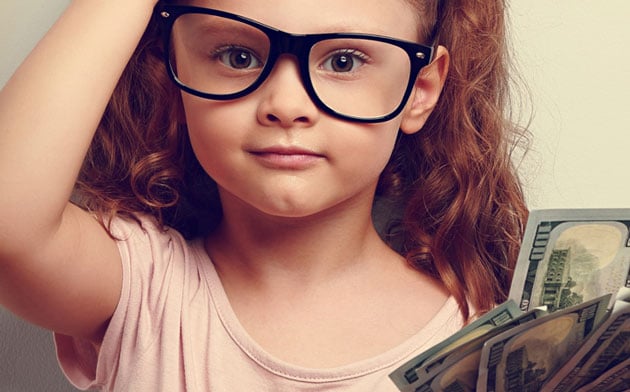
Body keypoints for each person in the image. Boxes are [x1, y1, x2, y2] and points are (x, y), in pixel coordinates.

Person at [0, 0, 528, 390]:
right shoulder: (144, 290)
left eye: (343, 61)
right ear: (174, 71)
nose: (285, 103)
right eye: (236, 55)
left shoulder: (482, 339)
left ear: (420, 91)